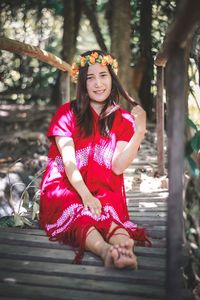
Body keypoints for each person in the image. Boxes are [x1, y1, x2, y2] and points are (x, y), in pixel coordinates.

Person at [39, 50, 151, 269]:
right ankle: (105, 250)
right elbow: (69, 163)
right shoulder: (66, 113)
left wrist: (140, 131)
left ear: (112, 78)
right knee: (79, 212)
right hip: (66, 184)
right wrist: (86, 196)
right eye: (90, 77)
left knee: (110, 215)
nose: (98, 83)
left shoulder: (123, 119)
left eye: (103, 75)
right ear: (82, 83)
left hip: (104, 185)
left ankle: (124, 251)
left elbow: (118, 167)